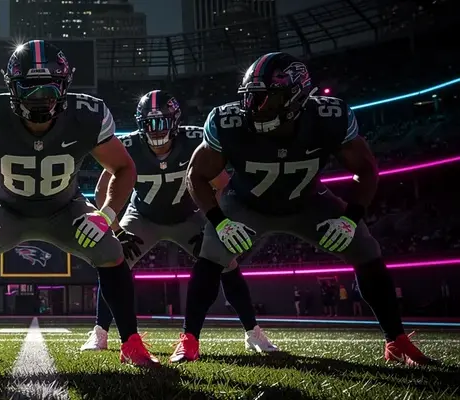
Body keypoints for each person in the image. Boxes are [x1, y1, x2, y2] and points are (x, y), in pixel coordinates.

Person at [0, 40, 158, 367]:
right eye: (29, 88)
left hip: (65, 208)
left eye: (50, 89)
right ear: (12, 87)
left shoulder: (88, 115)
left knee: (110, 250)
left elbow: (125, 167)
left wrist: (106, 215)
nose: (40, 99)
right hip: (5, 207)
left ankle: (131, 342)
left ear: (66, 86)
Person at [177, 52, 430, 365]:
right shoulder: (229, 121)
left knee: (365, 246)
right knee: (211, 250)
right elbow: (196, 175)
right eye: (251, 98)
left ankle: (397, 339)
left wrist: (350, 218)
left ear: (294, 96)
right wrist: (219, 221)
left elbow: (366, 169)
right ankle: (188, 339)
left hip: (308, 201)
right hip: (245, 203)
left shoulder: (328, 117)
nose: (254, 107)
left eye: (265, 98)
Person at [80, 90, 278, 354]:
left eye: (162, 122)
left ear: (175, 122)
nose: (156, 131)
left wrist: (212, 222)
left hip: (187, 217)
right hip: (143, 217)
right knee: (113, 261)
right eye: (149, 124)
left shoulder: (194, 140)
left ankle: (253, 332)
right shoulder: (129, 146)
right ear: (140, 124)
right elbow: (102, 191)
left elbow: (222, 186)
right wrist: (116, 229)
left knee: (226, 261)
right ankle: (100, 332)